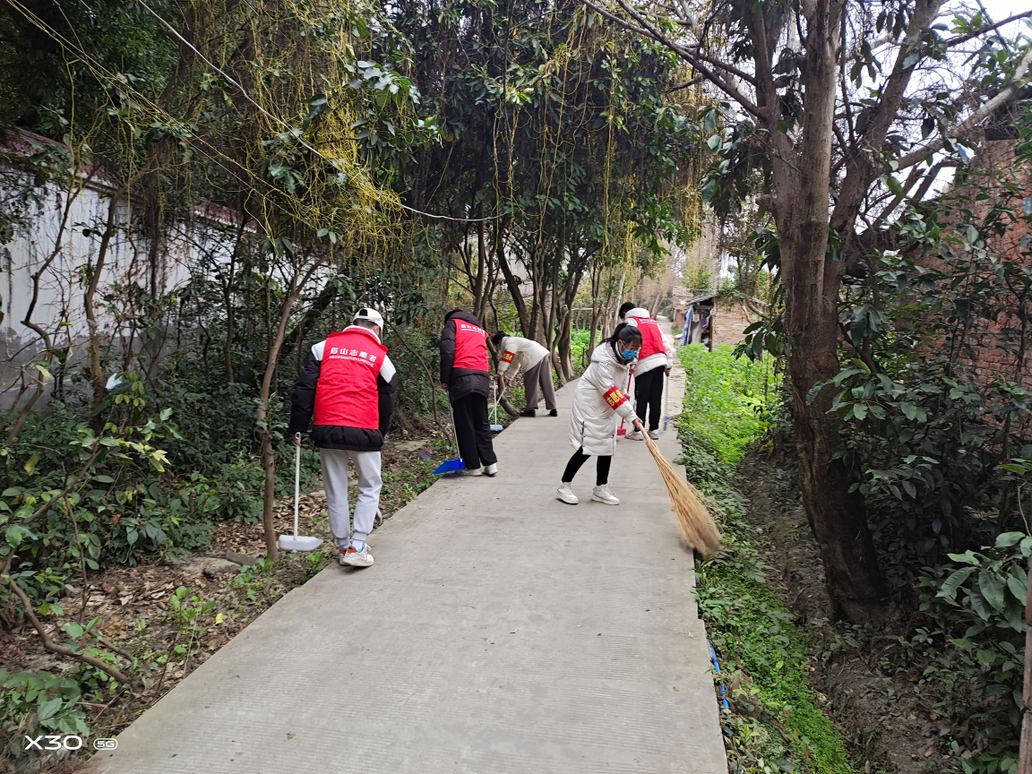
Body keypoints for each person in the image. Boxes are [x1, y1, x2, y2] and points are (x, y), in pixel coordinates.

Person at [289, 308, 398, 568]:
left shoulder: (321, 348)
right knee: (370, 486)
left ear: (353, 324)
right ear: (377, 329)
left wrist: (298, 427)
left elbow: (304, 389)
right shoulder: (381, 357)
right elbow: (388, 398)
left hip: (326, 426)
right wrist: (379, 433)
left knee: (335, 488)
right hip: (364, 428)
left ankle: (342, 545)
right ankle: (357, 545)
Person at [556, 323, 644, 506]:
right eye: (631, 348)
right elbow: (610, 391)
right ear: (620, 343)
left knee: (607, 446)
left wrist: (623, 397)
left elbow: (617, 389)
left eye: (637, 349)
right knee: (588, 446)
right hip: (590, 406)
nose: (634, 353)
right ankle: (564, 486)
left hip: (606, 405)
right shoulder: (602, 362)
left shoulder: (623, 360)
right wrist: (631, 416)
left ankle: (600, 488)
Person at [440, 309, 498, 477]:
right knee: (481, 422)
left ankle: (473, 466)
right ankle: (490, 463)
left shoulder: (452, 324)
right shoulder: (480, 330)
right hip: (481, 376)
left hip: (461, 377)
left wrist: (445, 378)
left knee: (465, 422)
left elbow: (448, 351)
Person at [620, 303, 674, 442]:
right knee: (655, 397)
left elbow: (632, 342)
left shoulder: (631, 321)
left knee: (641, 397)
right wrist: (669, 363)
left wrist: (632, 362)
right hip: (660, 361)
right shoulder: (652, 322)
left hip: (644, 362)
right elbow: (664, 343)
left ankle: (638, 431)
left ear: (625, 312)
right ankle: (654, 430)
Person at [490, 331, 557, 417]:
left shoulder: (508, 342)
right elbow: (515, 364)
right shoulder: (516, 342)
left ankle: (531, 409)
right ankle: (553, 408)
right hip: (542, 355)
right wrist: (509, 377)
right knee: (546, 382)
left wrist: (499, 373)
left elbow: (507, 359)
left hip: (532, 358)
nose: (498, 347)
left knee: (530, 384)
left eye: (497, 345)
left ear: (499, 341)